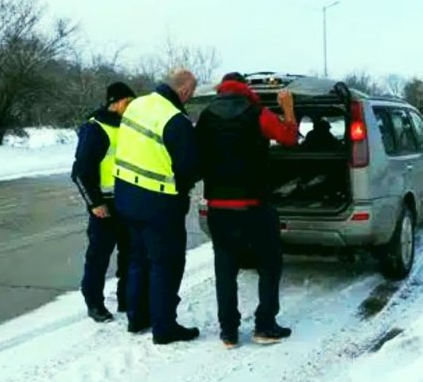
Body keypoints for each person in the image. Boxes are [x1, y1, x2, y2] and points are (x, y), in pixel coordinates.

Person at [195, 72, 298, 348]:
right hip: (253, 205)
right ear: (245, 89)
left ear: (222, 89)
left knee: (225, 268)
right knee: (268, 263)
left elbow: (197, 153)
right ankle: (265, 327)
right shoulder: (258, 113)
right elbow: (289, 139)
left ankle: (228, 332)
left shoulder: (206, 116)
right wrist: (288, 108)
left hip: (218, 207)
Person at [114, 68, 201, 345]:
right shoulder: (175, 119)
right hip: (160, 204)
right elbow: (190, 167)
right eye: (192, 92)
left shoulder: (137, 104)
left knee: (138, 260)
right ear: (185, 90)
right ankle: (165, 328)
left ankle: (137, 318)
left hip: (127, 197)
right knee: (166, 264)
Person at [72, 82, 136, 322]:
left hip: (128, 203)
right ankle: (94, 303)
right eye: (127, 103)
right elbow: (80, 172)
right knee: (98, 257)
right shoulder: (95, 128)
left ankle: (126, 299)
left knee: (130, 255)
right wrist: (95, 203)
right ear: (115, 102)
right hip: (104, 206)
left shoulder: (129, 127)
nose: (130, 107)